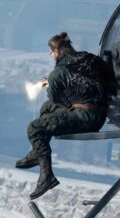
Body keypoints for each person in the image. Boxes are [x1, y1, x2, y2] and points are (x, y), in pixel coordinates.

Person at [15, 32, 109, 200]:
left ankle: (46, 176)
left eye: (51, 52)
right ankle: (38, 152)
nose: (51, 55)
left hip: (85, 116)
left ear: (57, 51)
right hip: (100, 112)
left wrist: (52, 83)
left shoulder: (57, 73)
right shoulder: (87, 57)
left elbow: (59, 100)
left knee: (35, 128)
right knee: (46, 108)